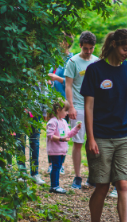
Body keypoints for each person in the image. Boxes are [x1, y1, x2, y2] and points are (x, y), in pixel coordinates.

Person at [80, 28, 127, 222]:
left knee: (124, 184)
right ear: (114, 44)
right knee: (102, 187)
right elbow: (88, 107)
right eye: (126, 49)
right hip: (101, 136)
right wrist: (90, 138)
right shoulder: (95, 70)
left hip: (126, 136)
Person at [65, 31, 99, 189]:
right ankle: (78, 176)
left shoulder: (98, 61)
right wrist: (70, 106)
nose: (89, 51)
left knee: (95, 142)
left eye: (91, 48)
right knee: (78, 142)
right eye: (86, 48)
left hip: (95, 108)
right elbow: (68, 85)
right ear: (80, 46)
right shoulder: (73, 62)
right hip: (78, 106)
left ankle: (93, 176)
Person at [47, 32, 75, 176]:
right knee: (51, 132)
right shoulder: (54, 59)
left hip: (65, 103)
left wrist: (57, 78)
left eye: (59, 41)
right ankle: (51, 163)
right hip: (53, 102)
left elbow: (72, 82)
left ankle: (61, 163)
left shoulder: (71, 59)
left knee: (63, 133)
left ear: (65, 43)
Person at [46, 98, 82, 193]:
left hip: (62, 150)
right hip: (55, 150)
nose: (67, 113)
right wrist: (61, 139)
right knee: (56, 167)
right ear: (58, 110)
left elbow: (68, 134)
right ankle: (54, 186)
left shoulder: (64, 122)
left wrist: (76, 129)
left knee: (58, 167)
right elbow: (50, 135)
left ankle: (56, 185)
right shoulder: (52, 122)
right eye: (65, 110)